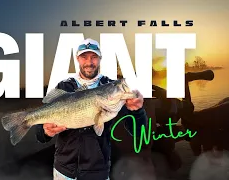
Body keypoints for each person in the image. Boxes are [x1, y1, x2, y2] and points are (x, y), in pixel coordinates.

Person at [35, 38, 148, 180]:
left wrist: (137, 111)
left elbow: (139, 132)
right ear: (77, 59)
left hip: (98, 172)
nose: (89, 62)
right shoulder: (64, 87)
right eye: (84, 57)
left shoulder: (111, 87)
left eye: (94, 57)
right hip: (64, 171)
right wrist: (45, 131)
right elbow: (40, 136)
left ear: (100, 59)